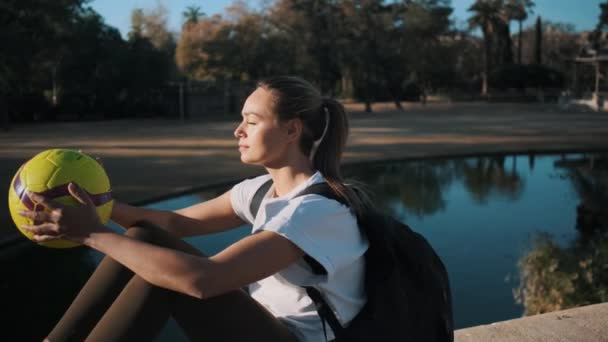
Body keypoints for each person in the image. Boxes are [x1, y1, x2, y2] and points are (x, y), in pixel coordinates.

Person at [20, 76, 370, 342]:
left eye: (251, 120)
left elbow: (204, 280)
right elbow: (173, 222)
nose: (237, 131)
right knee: (146, 236)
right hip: (264, 325)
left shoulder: (318, 211)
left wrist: (92, 233)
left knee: (166, 280)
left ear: (292, 129)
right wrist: (98, 206)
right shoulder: (261, 191)